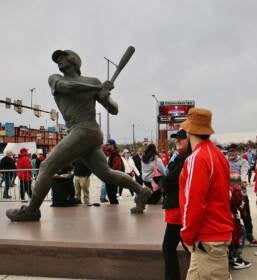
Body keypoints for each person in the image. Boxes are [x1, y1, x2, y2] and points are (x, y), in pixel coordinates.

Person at [6, 49, 151, 221]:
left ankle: (31, 210)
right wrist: (98, 87)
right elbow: (67, 88)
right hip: (82, 132)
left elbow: (114, 109)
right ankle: (141, 191)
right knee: (105, 173)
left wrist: (106, 96)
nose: (59, 60)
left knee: (46, 166)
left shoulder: (92, 82)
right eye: (57, 58)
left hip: (86, 130)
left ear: (74, 60)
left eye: (63, 56)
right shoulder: (56, 79)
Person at [179, 108, 233, 280]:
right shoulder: (217, 155)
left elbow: (194, 202)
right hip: (215, 235)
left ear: (189, 130)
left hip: (207, 237)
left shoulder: (197, 158)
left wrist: (187, 235)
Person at [159, 129, 191, 280]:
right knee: (184, 246)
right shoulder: (178, 158)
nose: (177, 140)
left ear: (189, 140)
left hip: (179, 209)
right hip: (176, 207)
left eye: (181, 138)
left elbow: (169, 181)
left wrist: (163, 181)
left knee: (170, 247)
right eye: (176, 138)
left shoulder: (186, 159)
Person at [227, 143, 257, 248]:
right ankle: (233, 237)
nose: (231, 153)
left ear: (237, 151)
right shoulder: (224, 161)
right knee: (231, 216)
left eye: (233, 151)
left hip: (241, 194)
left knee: (246, 215)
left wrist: (232, 179)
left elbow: (242, 176)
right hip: (228, 194)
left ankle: (250, 237)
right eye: (229, 151)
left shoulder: (243, 161)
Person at [103, 139, 124, 204]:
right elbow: (103, 150)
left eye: (107, 145)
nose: (106, 146)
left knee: (112, 196)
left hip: (113, 177)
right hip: (111, 176)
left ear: (112, 145)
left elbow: (117, 166)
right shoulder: (111, 153)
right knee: (111, 196)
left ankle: (114, 211)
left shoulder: (115, 154)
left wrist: (109, 171)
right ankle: (113, 209)